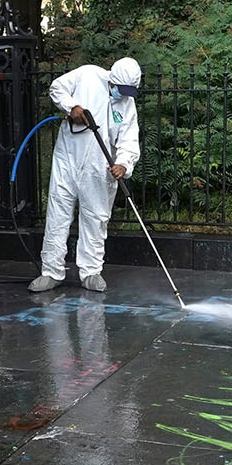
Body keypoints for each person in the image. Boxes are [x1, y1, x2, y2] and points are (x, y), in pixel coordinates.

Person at [32, 57, 142, 292]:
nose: (122, 94)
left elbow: (129, 138)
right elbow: (56, 87)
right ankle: (51, 272)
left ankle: (91, 272)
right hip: (68, 159)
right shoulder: (88, 74)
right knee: (58, 213)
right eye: (120, 89)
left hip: (100, 167)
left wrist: (123, 163)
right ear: (111, 79)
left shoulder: (126, 103)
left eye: (128, 91)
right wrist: (72, 107)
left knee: (96, 218)